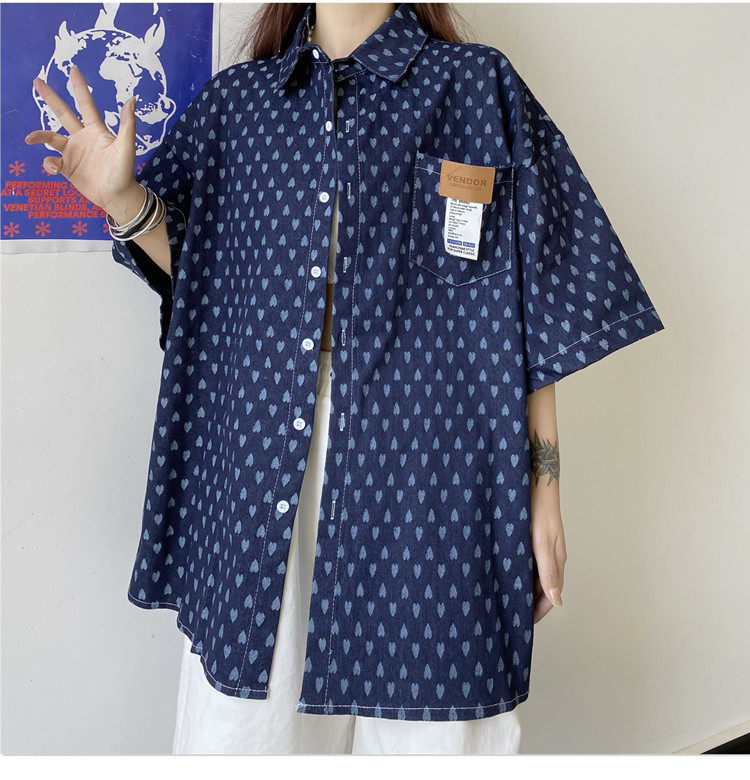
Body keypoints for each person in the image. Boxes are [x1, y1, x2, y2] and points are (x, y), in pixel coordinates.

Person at [26, 2, 664, 755]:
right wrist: (122, 201)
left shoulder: (476, 86)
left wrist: (544, 488)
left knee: (440, 737)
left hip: (439, 470)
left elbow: (537, 298)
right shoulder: (239, 106)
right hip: (262, 460)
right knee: (252, 733)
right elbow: (203, 277)